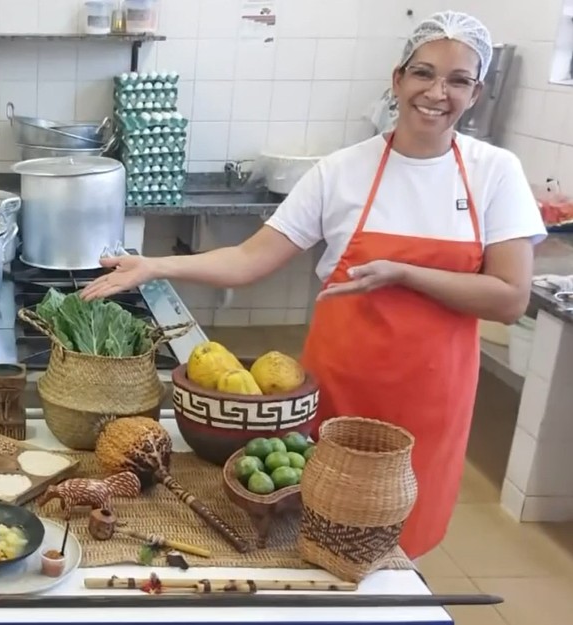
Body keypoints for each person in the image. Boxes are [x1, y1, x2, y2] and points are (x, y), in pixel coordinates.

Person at [81, 12, 547, 559]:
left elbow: (510, 297)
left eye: (458, 80)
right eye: (423, 73)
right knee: (316, 531)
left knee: (399, 547)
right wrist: (157, 266)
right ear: (397, 80)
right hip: (339, 390)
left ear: (477, 91)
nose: (437, 92)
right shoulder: (341, 171)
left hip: (431, 400)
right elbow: (250, 259)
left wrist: (405, 274)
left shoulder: (495, 173)